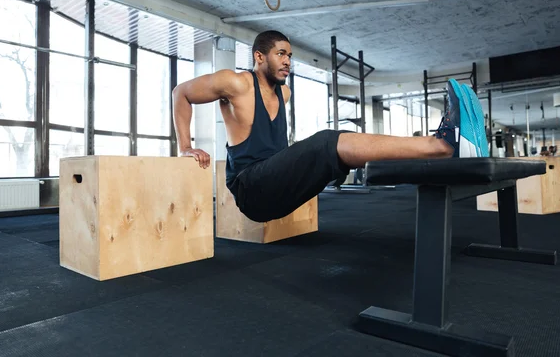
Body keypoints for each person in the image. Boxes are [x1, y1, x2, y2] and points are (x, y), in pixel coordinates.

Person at [172, 30, 488, 222]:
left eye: (290, 56)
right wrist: (186, 146)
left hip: (278, 187)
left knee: (334, 157)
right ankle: (443, 145)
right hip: (250, 188)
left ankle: (445, 151)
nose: (287, 61)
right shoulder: (236, 82)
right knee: (327, 141)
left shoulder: (285, 92)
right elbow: (181, 93)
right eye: (280, 54)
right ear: (259, 57)